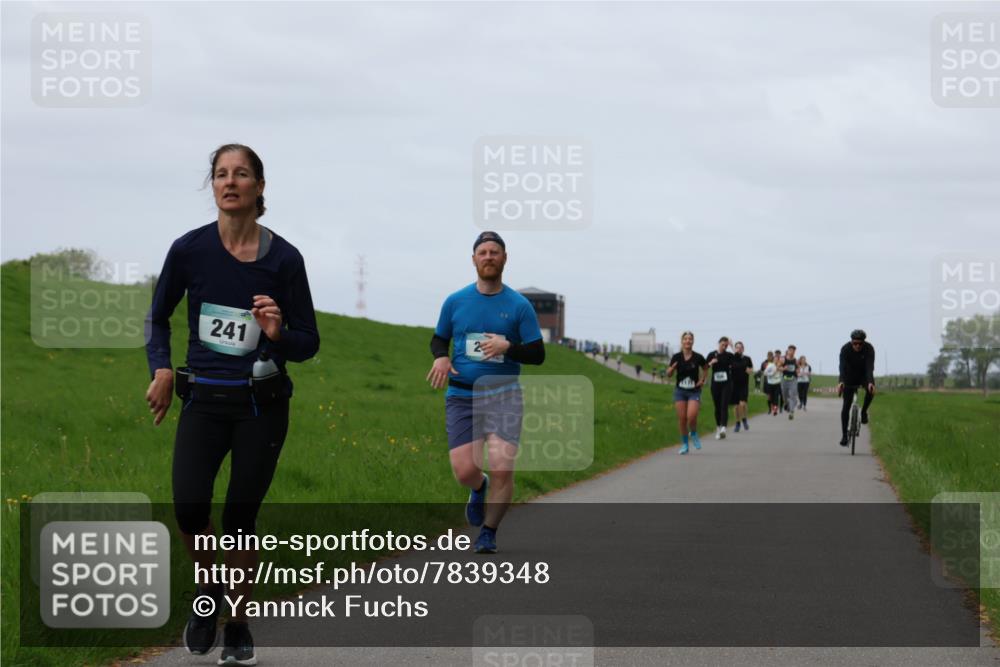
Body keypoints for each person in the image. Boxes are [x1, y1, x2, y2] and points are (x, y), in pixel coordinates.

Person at [144, 144, 320, 664]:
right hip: (202, 400)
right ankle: (208, 592)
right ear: (213, 185)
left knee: (240, 518)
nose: (229, 182)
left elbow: (309, 343)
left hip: (260, 406)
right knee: (189, 508)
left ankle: (238, 625)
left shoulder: (285, 259)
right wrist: (161, 368)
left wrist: (278, 331)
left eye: (241, 174)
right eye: (221, 174)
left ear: (259, 187)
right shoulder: (189, 250)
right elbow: (158, 317)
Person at [426, 231, 544, 554]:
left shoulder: (519, 306)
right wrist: (441, 356)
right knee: (464, 470)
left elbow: (538, 354)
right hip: (462, 396)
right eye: (483, 252)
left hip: (504, 396)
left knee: (502, 467)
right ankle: (479, 486)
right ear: (474, 259)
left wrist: (509, 347)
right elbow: (439, 338)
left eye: (495, 252)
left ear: (504, 259)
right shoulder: (455, 301)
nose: (489, 257)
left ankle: (488, 532)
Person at [667, 331, 707, 454]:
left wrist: (702, 380)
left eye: (690, 339)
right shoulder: (676, 357)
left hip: (694, 391)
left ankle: (693, 433)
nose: (688, 341)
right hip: (680, 391)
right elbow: (668, 374)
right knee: (682, 419)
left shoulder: (698, 357)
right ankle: (685, 444)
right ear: (682, 341)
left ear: (693, 341)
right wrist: (672, 369)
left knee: (691, 416)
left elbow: (705, 368)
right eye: (685, 339)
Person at [837, 329, 876, 446]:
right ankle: (844, 436)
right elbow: (842, 367)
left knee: (871, 389)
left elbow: (869, 367)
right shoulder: (845, 349)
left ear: (863, 342)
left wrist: (870, 382)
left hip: (864, 376)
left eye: (860, 343)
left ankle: (863, 412)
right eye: (855, 343)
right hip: (849, 376)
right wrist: (841, 382)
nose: (857, 346)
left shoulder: (869, 348)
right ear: (851, 342)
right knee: (846, 406)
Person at [705, 337, 734, 439]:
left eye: (726, 345)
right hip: (715, 384)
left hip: (726, 384)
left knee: (724, 405)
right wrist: (711, 363)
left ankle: (724, 428)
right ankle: (718, 427)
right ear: (719, 343)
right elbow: (705, 367)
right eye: (723, 345)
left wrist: (732, 346)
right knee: (717, 406)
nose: (724, 347)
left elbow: (737, 360)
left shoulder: (729, 355)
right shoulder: (712, 354)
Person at [730, 341, 753, 432]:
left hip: (744, 384)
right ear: (735, 349)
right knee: (736, 406)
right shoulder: (732, 358)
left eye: (740, 347)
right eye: (737, 347)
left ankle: (744, 418)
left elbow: (751, 369)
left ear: (743, 349)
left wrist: (749, 370)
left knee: (743, 404)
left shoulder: (747, 359)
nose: (739, 349)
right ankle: (737, 423)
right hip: (734, 385)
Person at [780, 345, 799, 420]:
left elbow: (798, 369)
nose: (792, 352)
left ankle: (791, 412)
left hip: (793, 380)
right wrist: (783, 368)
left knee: (792, 395)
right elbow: (778, 367)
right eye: (790, 350)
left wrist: (797, 371)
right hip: (784, 379)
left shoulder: (796, 360)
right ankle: (786, 404)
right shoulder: (783, 359)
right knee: (784, 396)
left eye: (793, 351)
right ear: (788, 351)